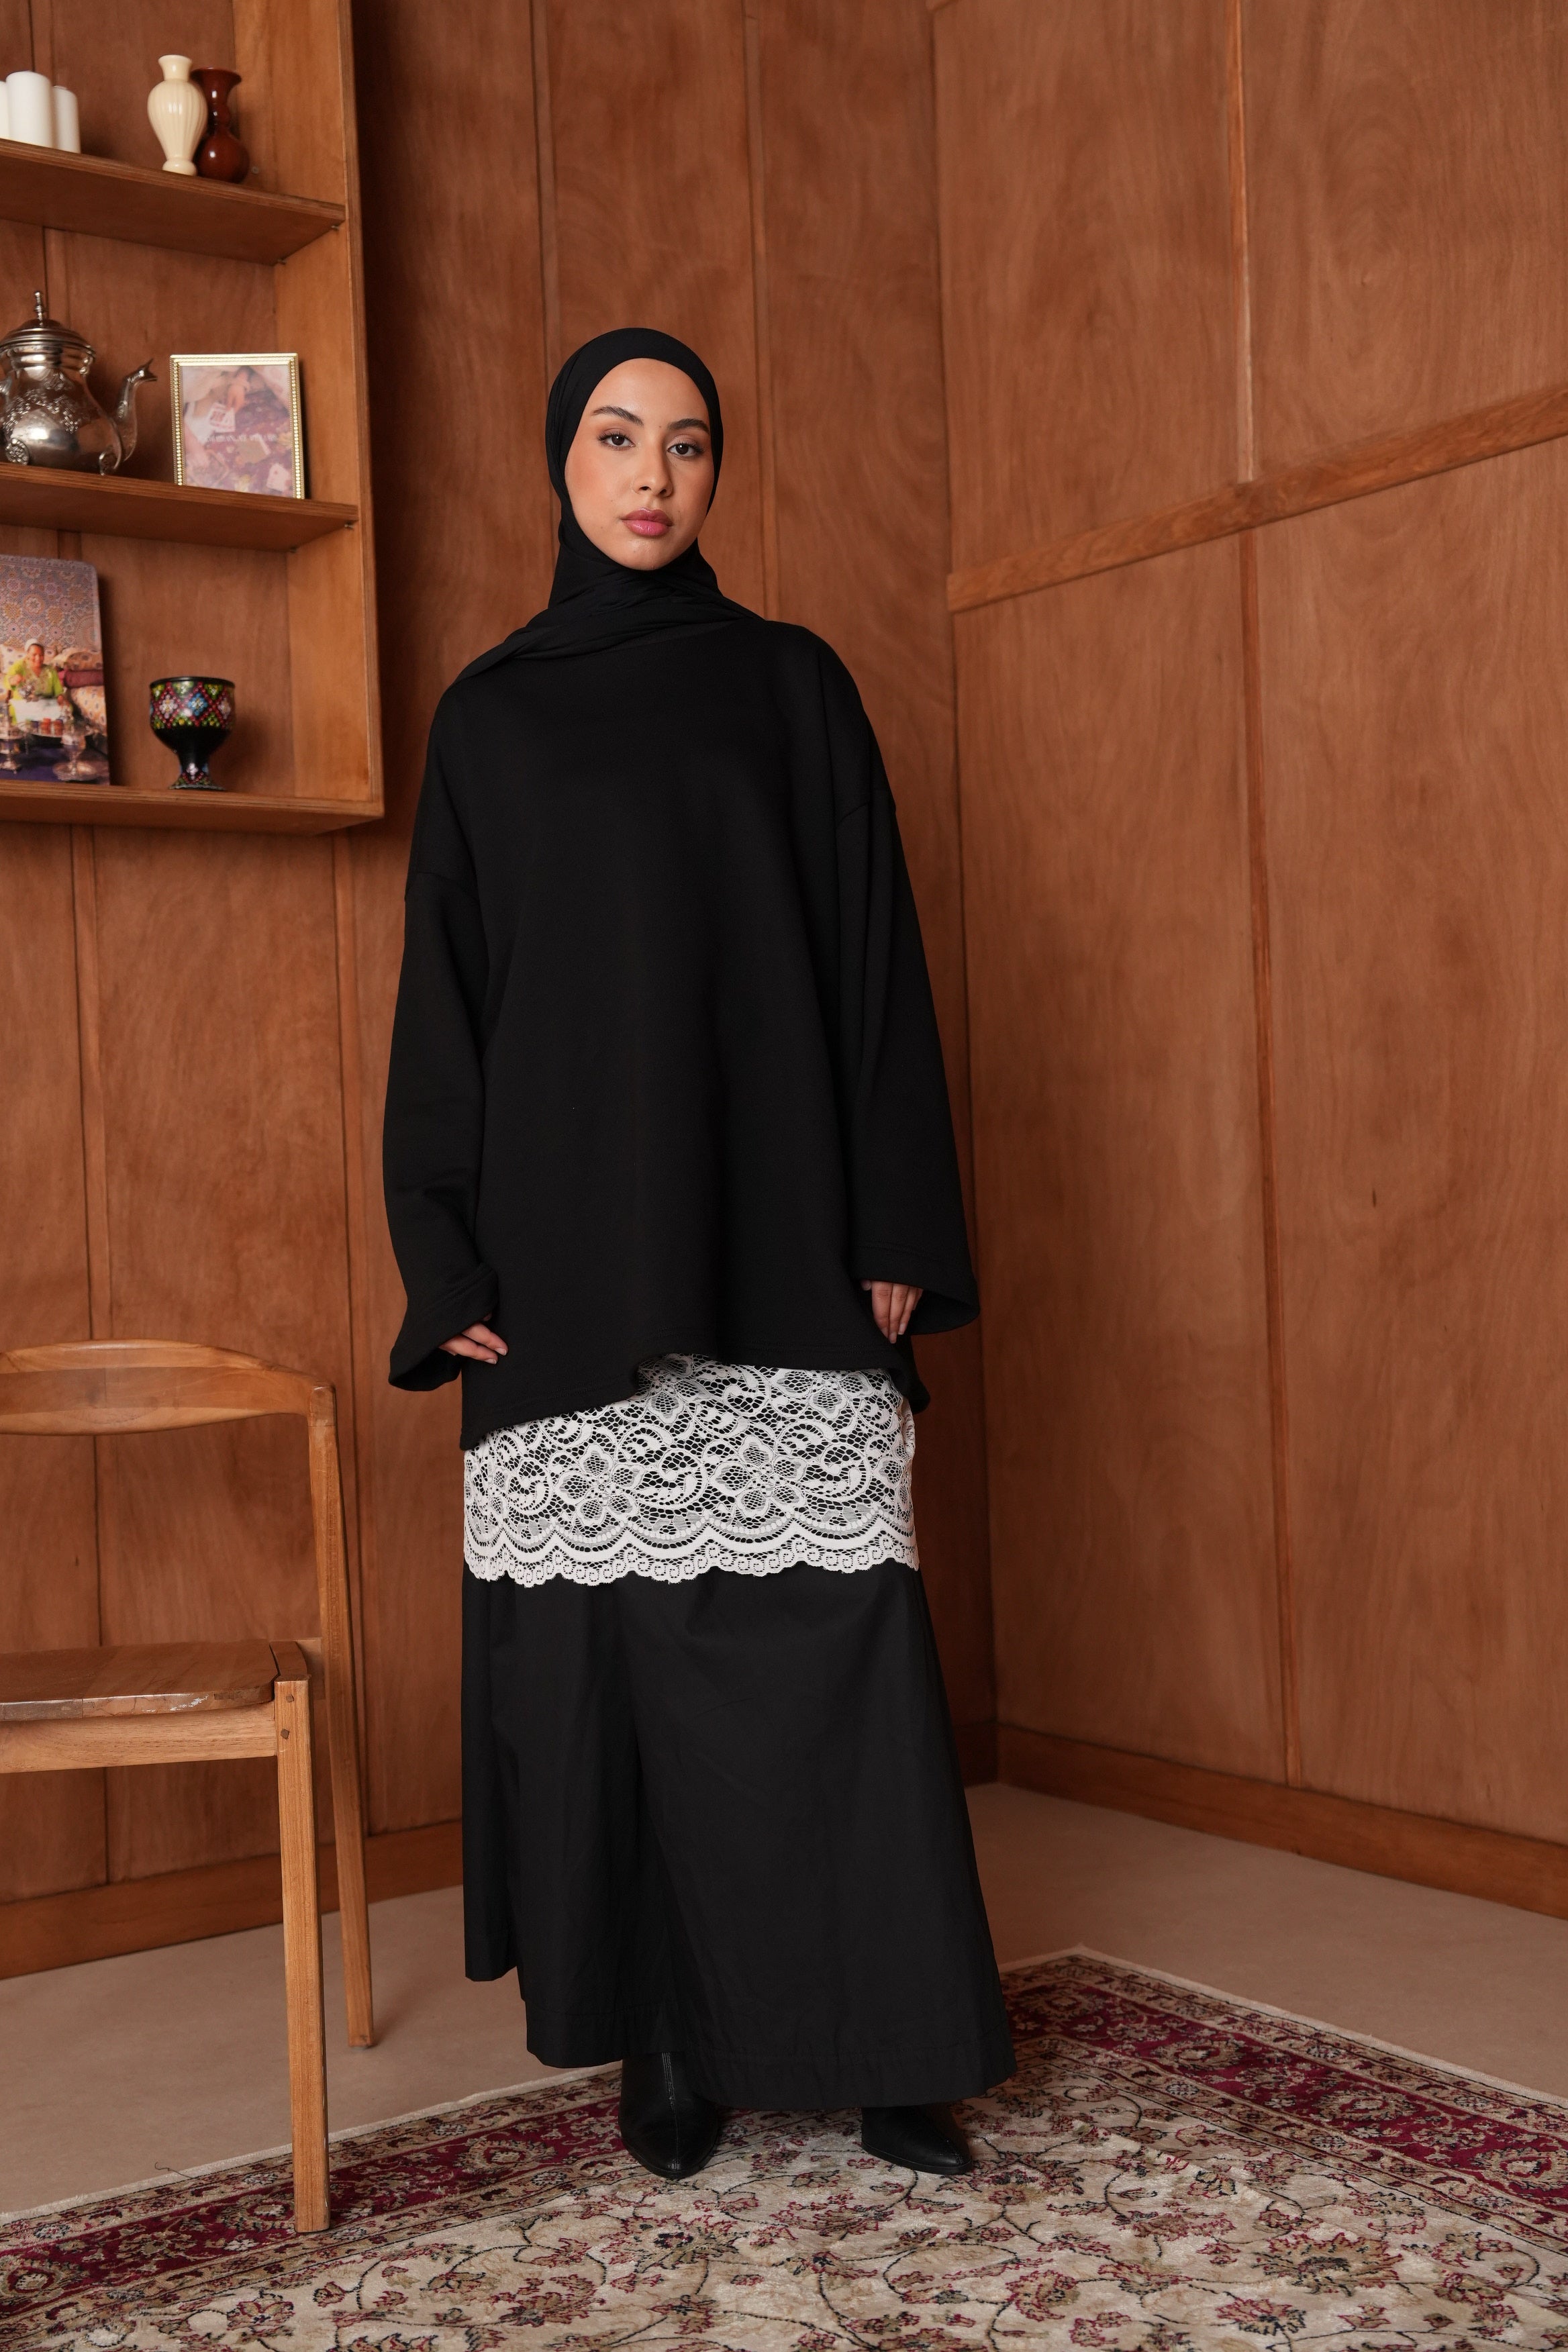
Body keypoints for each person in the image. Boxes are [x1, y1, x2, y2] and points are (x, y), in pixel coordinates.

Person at [383, 327, 1014, 2183]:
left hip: (782, 1222)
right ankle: (667, 2041)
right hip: (570, 1248)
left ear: (718, 474)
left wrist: (896, 1222)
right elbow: (446, 1009)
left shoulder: (792, 685)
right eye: (615, 437)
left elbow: (875, 958)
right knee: (620, 1667)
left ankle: (891, 2042)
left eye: (687, 444)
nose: (652, 475)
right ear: (560, 462)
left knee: (836, 1642)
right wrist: (445, 1260)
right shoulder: (490, 718)